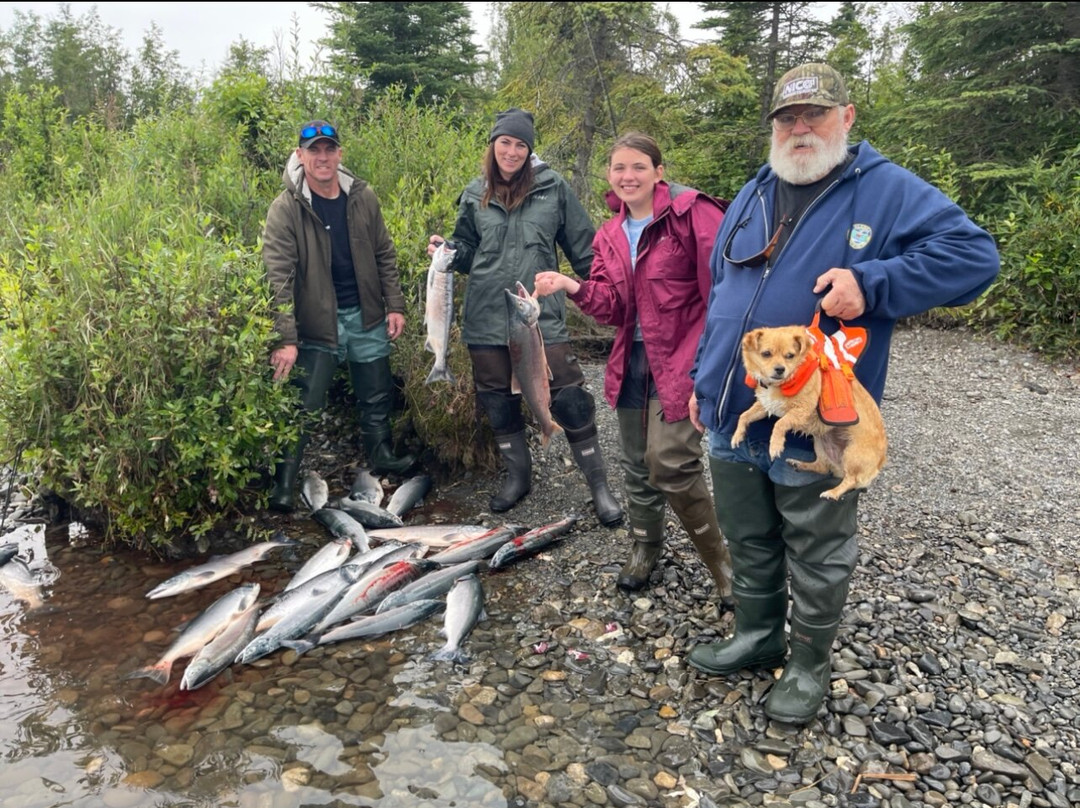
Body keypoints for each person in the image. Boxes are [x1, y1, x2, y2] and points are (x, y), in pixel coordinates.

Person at [686, 64, 1000, 724]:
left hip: (818, 418)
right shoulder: (753, 192)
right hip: (734, 408)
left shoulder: (886, 191)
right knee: (748, 536)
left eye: (816, 114)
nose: (800, 128)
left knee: (818, 548)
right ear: (774, 126)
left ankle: (808, 664)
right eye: (787, 118)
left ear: (847, 117)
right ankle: (757, 634)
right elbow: (722, 298)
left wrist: (875, 282)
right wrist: (702, 380)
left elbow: (975, 257)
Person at [533, 132, 733, 599]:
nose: (628, 176)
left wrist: (717, 362)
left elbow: (724, 289)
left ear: (659, 172)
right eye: (619, 168)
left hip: (685, 356)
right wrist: (572, 285)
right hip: (632, 360)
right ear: (609, 174)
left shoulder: (692, 213)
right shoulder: (608, 234)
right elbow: (612, 308)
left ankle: (724, 564)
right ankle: (645, 546)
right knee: (637, 463)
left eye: (639, 166)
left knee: (671, 461)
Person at [427, 108, 622, 526]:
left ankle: (599, 485)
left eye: (520, 144)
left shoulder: (553, 188)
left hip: (539, 315)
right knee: (497, 400)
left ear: (530, 150)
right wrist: (449, 252)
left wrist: (609, 294)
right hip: (485, 316)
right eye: (505, 142)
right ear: (493, 145)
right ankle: (518, 477)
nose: (512, 152)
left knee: (570, 397)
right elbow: (467, 249)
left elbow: (586, 251)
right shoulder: (475, 192)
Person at [263, 119, 415, 512]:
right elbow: (278, 276)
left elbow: (384, 253)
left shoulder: (363, 197)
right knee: (304, 403)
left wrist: (394, 304)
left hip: (366, 313)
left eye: (329, 149)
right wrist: (286, 337)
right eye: (313, 150)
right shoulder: (285, 209)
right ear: (300, 156)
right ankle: (284, 481)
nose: (322, 157)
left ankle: (381, 455)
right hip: (317, 322)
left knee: (376, 393)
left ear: (339, 154)